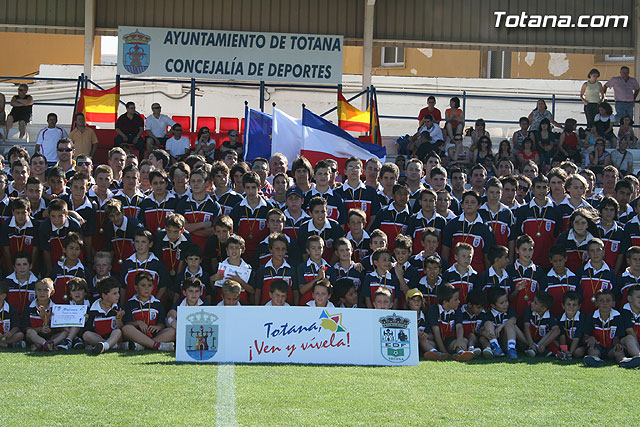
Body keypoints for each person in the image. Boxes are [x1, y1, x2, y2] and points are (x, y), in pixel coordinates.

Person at [122, 271, 175, 352]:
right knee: (126, 329)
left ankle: (144, 345)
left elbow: (162, 324)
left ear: (153, 287)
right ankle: (155, 345)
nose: (146, 288)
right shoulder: (130, 303)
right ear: (136, 287)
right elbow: (127, 323)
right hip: (137, 335)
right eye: (143, 285)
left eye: (149, 285)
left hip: (155, 335)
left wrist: (157, 327)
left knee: (172, 331)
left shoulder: (157, 303)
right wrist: (138, 323)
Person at [426, 283, 474, 361]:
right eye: (455, 299)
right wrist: (444, 351)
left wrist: (459, 340)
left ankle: (460, 353)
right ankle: (436, 353)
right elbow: (436, 332)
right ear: (445, 302)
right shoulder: (433, 310)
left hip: (450, 341)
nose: (459, 302)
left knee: (463, 340)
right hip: (435, 340)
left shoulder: (457, 310)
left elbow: (459, 327)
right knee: (425, 341)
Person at [120, 228, 169, 302]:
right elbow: (123, 287)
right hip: (130, 307)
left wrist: (155, 302)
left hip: (150, 307)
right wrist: (123, 304)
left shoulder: (157, 264)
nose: (140, 245)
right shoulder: (127, 263)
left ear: (150, 244)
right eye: (137, 241)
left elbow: (163, 286)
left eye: (143, 242)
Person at [583, 289, 626, 367]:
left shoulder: (618, 317)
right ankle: (595, 360)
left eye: (608, 301)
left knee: (619, 352)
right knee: (592, 350)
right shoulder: (591, 316)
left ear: (613, 303)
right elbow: (585, 335)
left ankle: (624, 361)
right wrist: (590, 338)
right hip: (597, 346)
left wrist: (617, 344)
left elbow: (617, 336)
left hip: (611, 347)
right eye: (601, 300)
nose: (604, 303)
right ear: (596, 303)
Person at [507, 234, 545, 320]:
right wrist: (516, 290)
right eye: (524, 249)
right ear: (517, 250)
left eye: (530, 249)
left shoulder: (538, 271)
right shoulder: (509, 270)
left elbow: (541, 297)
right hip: (512, 315)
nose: (527, 253)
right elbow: (507, 298)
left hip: (531, 318)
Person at [23, 278, 68, 351]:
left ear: (52, 292)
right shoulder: (29, 308)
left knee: (64, 333)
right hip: (35, 337)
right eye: (39, 290)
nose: (42, 293)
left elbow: (59, 328)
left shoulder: (56, 308)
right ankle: (46, 344)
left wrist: (49, 326)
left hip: (52, 336)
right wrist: (40, 329)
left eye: (46, 290)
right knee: (30, 332)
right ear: (35, 291)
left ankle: (45, 345)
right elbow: (26, 328)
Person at [83, 277, 125, 354]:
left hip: (116, 337)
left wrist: (119, 319)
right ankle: (111, 345)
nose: (118, 295)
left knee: (118, 331)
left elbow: (122, 330)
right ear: (104, 295)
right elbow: (88, 329)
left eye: (118, 292)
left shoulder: (120, 308)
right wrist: (87, 344)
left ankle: (105, 346)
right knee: (86, 335)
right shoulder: (93, 309)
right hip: (99, 338)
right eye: (114, 293)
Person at [480, 286, 523, 359]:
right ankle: (495, 347)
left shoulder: (510, 311)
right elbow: (480, 331)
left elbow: (513, 320)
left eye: (506, 301)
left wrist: (501, 327)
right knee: (488, 324)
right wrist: (486, 334)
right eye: (501, 303)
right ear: (493, 305)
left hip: (506, 340)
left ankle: (511, 349)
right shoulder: (487, 314)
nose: (505, 304)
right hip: (494, 339)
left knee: (510, 324)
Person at [578, 238, 617, 315]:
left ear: (603, 252)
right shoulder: (581, 271)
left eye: (598, 250)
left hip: (603, 316)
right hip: (583, 313)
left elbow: (614, 295)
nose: (595, 253)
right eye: (592, 251)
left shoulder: (610, 273)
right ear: (588, 253)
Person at [49, 232, 87, 305]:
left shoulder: (83, 271)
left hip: (76, 311)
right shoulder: (56, 269)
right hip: (58, 309)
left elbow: (88, 293)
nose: (74, 252)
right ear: (64, 250)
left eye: (77, 249)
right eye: (71, 248)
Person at [544, 245, 581, 317]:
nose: (558, 264)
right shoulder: (546, 278)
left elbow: (579, 298)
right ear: (550, 260)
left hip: (571, 318)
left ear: (566, 258)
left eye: (560, 260)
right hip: (552, 317)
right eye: (555, 261)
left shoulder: (573, 278)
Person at [523, 291, 561, 358]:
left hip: (541, 340)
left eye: (535, 303)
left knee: (555, 333)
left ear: (543, 309)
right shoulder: (529, 310)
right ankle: (534, 348)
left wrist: (543, 345)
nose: (531, 303)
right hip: (528, 340)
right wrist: (531, 343)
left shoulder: (550, 317)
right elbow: (526, 327)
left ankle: (537, 348)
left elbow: (556, 331)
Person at [556, 291, 587, 360]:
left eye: (574, 305)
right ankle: (562, 352)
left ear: (579, 306)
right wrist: (564, 350)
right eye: (568, 304)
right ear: (563, 306)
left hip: (578, 344)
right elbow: (562, 335)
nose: (571, 307)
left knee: (578, 353)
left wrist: (570, 353)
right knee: (555, 342)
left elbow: (577, 336)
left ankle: (568, 354)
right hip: (566, 343)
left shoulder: (582, 318)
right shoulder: (560, 318)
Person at [0, 281, 25, 349]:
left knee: (20, 335)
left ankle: (3, 344)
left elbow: (16, 326)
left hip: (6, 337)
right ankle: (9, 345)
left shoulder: (11, 309)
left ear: (3, 296)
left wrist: (10, 333)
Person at [619, 285, 640, 367]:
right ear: (629, 299)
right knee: (629, 338)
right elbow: (629, 331)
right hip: (626, 345)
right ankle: (638, 356)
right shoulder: (625, 312)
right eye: (639, 297)